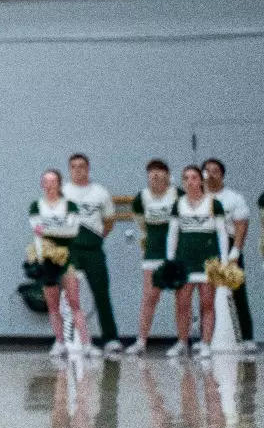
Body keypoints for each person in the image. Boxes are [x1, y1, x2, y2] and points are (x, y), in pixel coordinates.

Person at [62, 153, 121, 356]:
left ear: (88, 169)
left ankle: (111, 338)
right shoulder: (63, 191)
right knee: (70, 296)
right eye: (74, 167)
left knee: (101, 292)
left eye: (82, 166)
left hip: (93, 248)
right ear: (69, 170)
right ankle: (70, 340)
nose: (78, 170)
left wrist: (97, 236)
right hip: (71, 249)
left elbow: (109, 221)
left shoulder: (100, 192)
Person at [168, 164, 226, 360]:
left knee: (207, 303)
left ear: (201, 180)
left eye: (194, 177)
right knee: (182, 303)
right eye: (186, 178)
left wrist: (224, 261)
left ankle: (206, 343)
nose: (190, 181)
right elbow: (173, 234)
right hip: (184, 260)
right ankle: (182, 342)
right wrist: (170, 261)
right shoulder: (179, 204)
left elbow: (222, 234)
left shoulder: (213, 203)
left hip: (208, 259)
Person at [30, 169, 90, 357]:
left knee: (74, 302)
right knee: (53, 305)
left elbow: (72, 231)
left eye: (53, 181)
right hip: (47, 258)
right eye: (46, 181)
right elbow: (37, 231)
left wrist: (49, 228)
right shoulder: (36, 206)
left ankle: (87, 344)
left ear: (59, 184)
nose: (49, 185)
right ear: (42, 184)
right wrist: (40, 258)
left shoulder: (70, 205)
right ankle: (59, 342)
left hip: (67, 258)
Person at [126, 159, 179, 356]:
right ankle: (141, 342)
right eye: (152, 172)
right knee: (150, 297)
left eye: (159, 171)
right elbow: (141, 224)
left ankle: (183, 342)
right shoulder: (142, 198)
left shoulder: (177, 194)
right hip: (153, 252)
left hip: (176, 253)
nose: (155, 175)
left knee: (181, 299)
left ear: (167, 175)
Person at [203, 159, 252, 349]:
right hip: (206, 245)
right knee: (205, 292)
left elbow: (241, 227)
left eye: (215, 171)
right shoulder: (198, 199)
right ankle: (205, 339)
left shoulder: (234, 198)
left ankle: (246, 338)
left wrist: (235, 252)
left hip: (229, 245)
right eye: (207, 171)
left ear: (222, 174)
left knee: (237, 291)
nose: (211, 174)